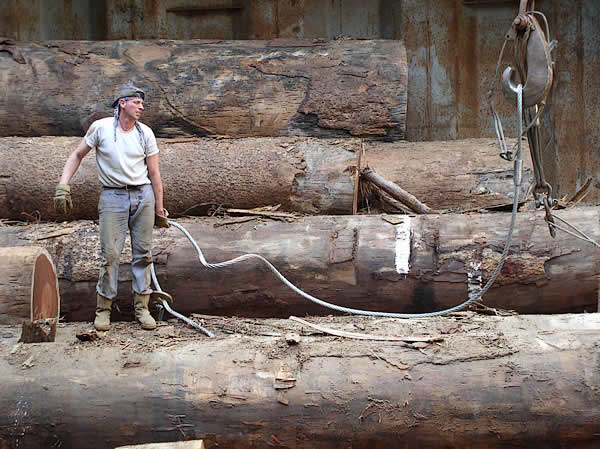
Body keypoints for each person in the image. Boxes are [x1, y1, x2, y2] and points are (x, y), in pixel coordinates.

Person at [54, 86, 170, 331]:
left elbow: (154, 172)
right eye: (136, 102)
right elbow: (77, 155)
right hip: (113, 197)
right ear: (122, 103)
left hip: (143, 195)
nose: (141, 107)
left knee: (144, 254)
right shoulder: (101, 128)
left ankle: (142, 309)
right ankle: (103, 309)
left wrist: (159, 208)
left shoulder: (145, 133)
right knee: (111, 256)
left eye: (142, 103)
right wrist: (63, 185)